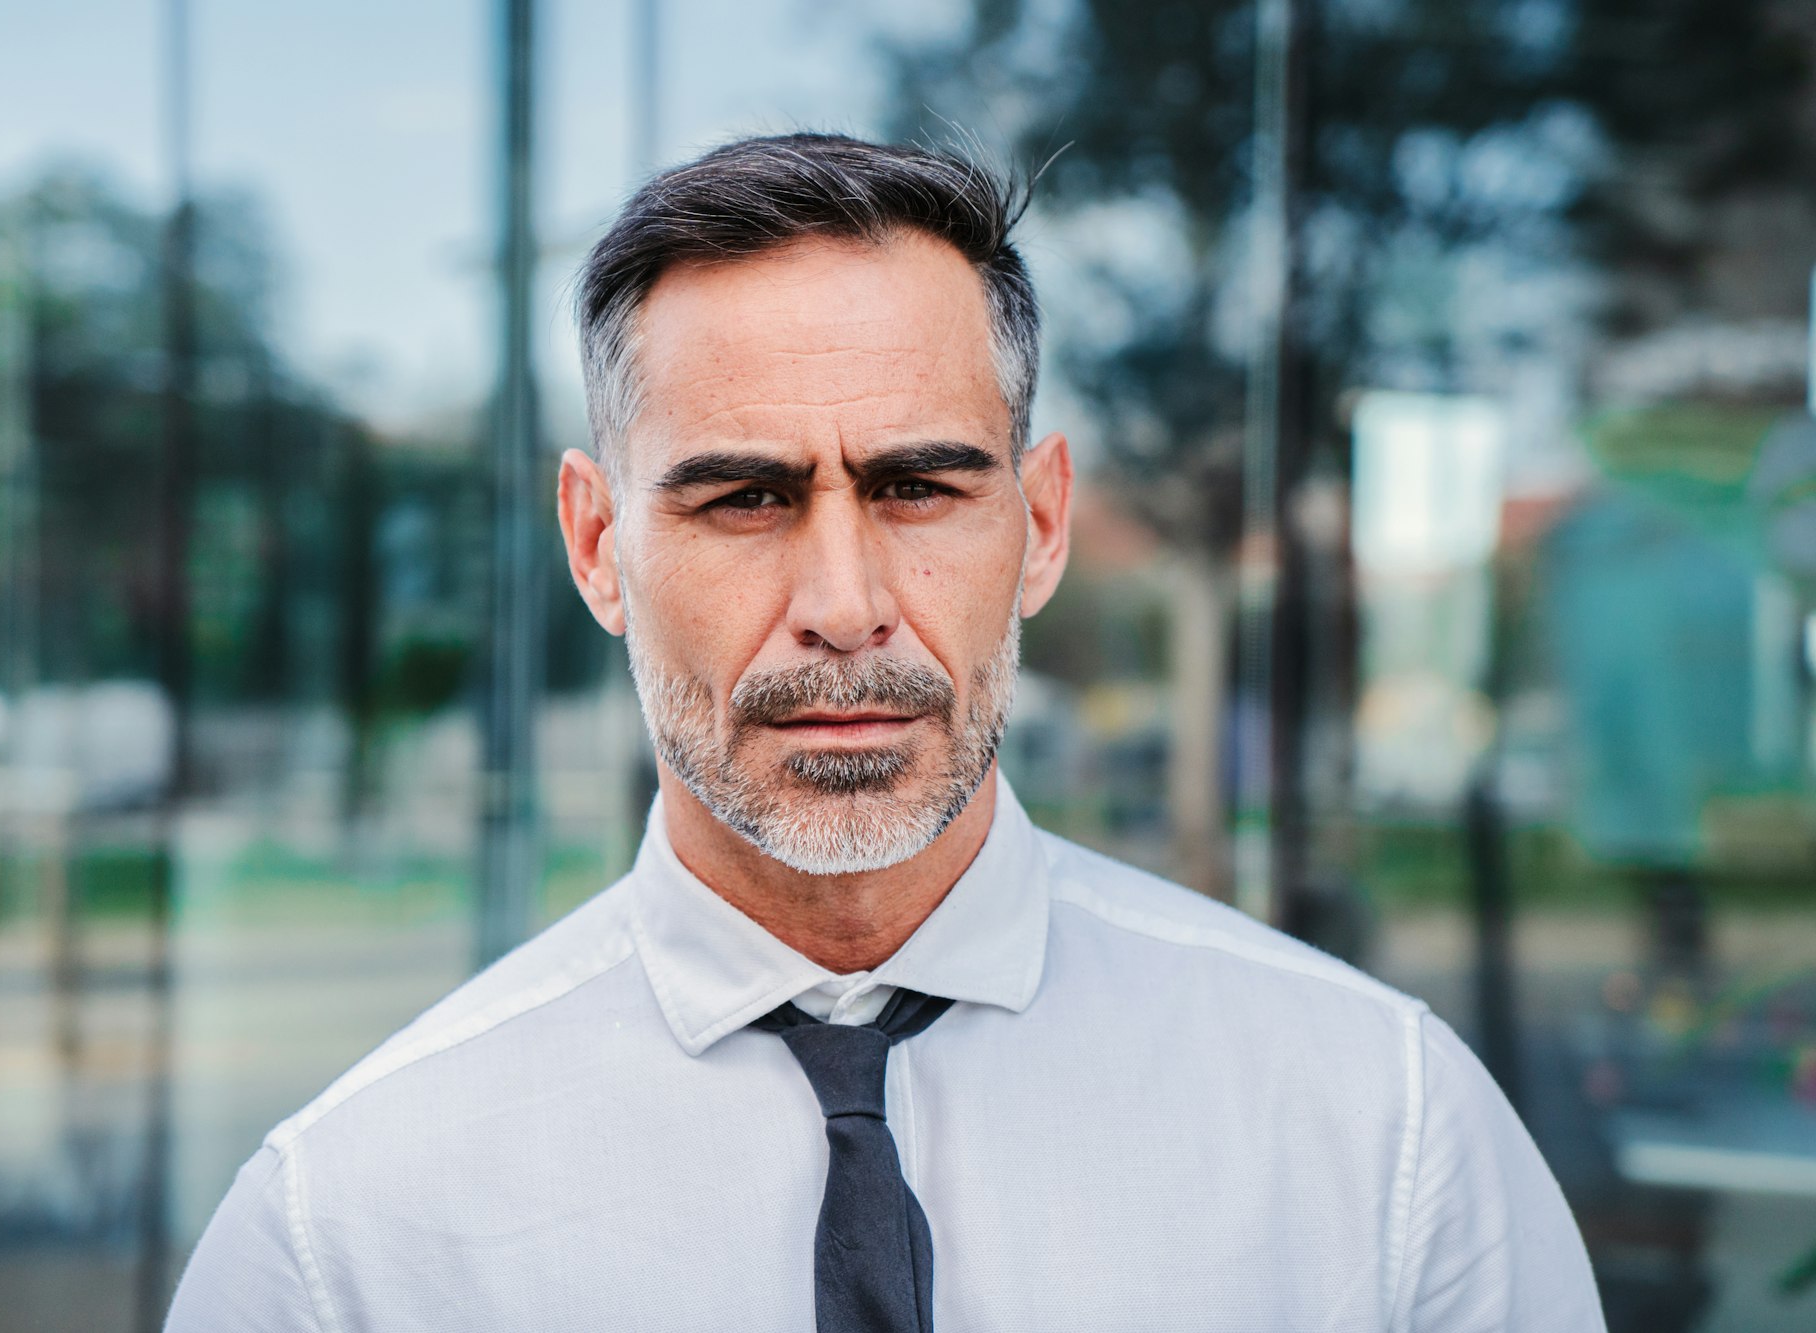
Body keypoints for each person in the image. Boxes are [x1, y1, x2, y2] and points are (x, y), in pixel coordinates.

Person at [166, 133, 1605, 1332]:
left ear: (1040, 526)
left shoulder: (1383, 1137)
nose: (845, 608)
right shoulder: (346, 1237)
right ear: (598, 546)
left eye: (920, 488)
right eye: (744, 498)